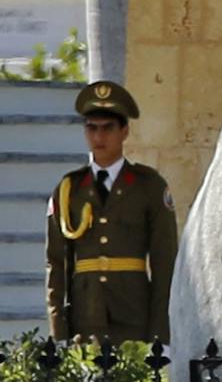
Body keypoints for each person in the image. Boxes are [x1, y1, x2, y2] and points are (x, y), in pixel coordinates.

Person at [46, 80, 178, 345]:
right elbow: (56, 264)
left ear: (124, 131)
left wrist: (159, 333)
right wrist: (59, 332)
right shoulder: (69, 188)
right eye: (91, 128)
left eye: (108, 128)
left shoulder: (148, 185)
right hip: (85, 318)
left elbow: (165, 261)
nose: (99, 137)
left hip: (133, 315)